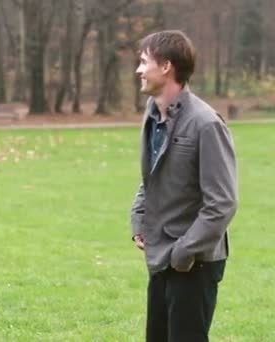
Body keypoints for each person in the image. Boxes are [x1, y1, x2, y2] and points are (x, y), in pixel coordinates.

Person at [130, 30, 238, 342]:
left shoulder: (206, 124)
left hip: (195, 264)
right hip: (162, 256)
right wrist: (139, 219)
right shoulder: (151, 115)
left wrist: (183, 252)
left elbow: (222, 203)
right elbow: (151, 178)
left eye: (144, 62)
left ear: (166, 67)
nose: (139, 70)